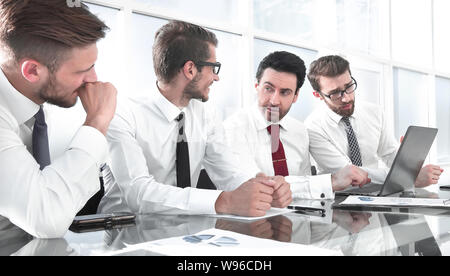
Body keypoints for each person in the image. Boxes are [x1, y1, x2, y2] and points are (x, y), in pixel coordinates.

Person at [100, 20, 286, 218]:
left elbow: (228, 170)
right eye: (213, 68)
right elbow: (138, 193)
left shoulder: (207, 113)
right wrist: (223, 201)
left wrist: (262, 186)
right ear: (190, 69)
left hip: (184, 230)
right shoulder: (122, 114)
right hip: (124, 231)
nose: (216, 78)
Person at [0, 0, 117, 238]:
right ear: (32, 71)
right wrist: (97, 122)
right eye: (82, 70)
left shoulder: (34, 104)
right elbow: (46, 218)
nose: (93, 79)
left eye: (93, 65)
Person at [222, 51, 370, 200]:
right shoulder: (233, 129)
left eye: (285, 92)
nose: (274, 101)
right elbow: (256, 188)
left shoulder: (299, 131)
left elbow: (304, 190)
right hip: (253, 220)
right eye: (268, 88)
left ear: (296, 96)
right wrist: (330, 182)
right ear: (257, 86)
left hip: (297, 219)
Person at [305, 55, 443, 186]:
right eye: (335, 93)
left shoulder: (374, 112)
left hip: (379, 192)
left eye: (349, 87)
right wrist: (409, 177)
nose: (346, 98)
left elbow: (389, 153)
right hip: (338, 199)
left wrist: (408, 163)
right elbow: (350, 174)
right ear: (318, 95)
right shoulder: (313, 127)